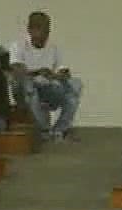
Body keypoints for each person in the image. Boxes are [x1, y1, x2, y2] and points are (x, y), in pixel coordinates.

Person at [9, 11, 80, 142]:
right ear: (30, 30)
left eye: (48, 30)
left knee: (76, 84)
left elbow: (63, 70)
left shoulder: (53, 47)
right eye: (41, 30)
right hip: (24, 91)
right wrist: (38, 72)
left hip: (47, 87)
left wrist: (57, 75)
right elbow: (17, 71)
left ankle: (59, 129)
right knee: (28, 83)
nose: (46, 34)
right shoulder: (18, 46)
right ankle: (44, 130)